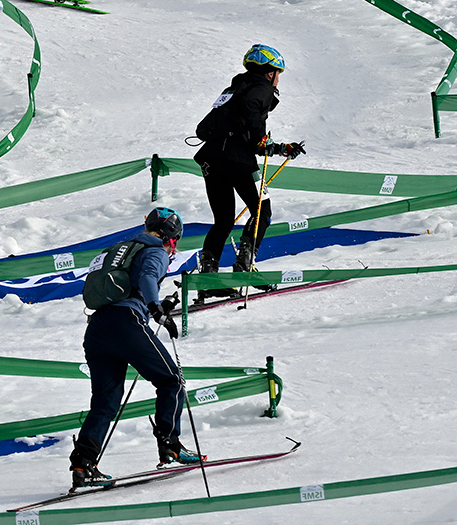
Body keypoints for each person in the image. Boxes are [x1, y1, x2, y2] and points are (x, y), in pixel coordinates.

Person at [70, 207, 202, 487]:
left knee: (105, 401)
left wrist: (153, 304)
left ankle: (83, 465)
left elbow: (131, 286)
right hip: (126, 324)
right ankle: (171, 444)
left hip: (97, 329)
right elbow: (146, 279)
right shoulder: (155, 250)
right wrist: (156, 309)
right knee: (171, 381)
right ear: (171, 237)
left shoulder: (121, 249)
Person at [192, 44, 304, 300]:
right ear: (269, 73)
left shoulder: (233, 88)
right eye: (278, 73)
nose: (278, 80)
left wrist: (275, 147)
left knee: (223, 220)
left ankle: (208, 279)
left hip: (212, 159)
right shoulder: (261, 89)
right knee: (262, 211)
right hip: (236, 160)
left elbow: (230, 122)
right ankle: (245, 266)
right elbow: (252, 120)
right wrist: (262, 141)